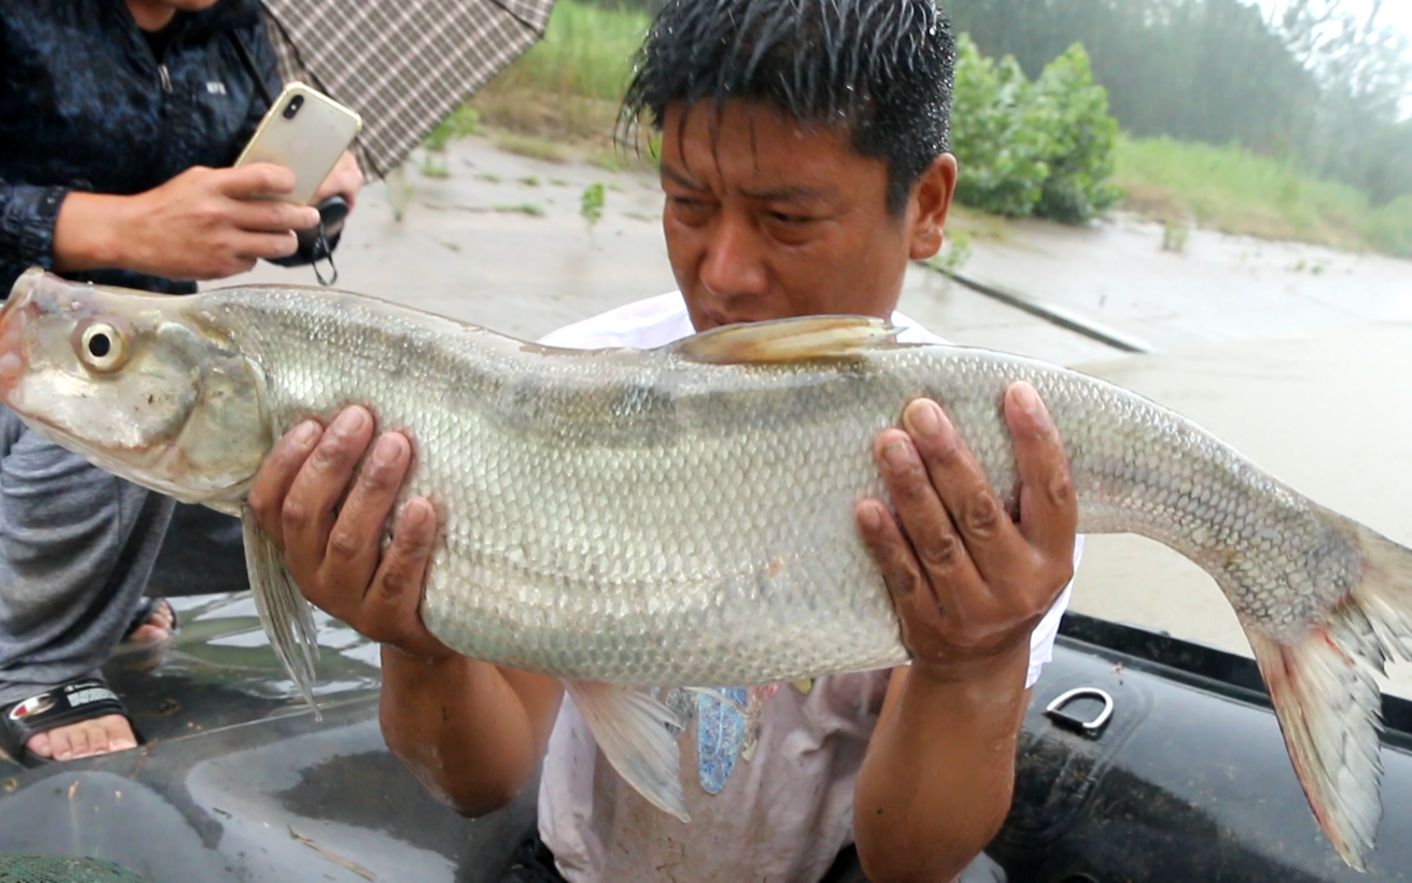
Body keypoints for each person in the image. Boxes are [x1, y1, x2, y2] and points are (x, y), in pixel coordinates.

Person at [248, 1, 1077, 880]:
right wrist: (420, 645)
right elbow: (481, 777)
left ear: (927, 204)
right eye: (687, 203)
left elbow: (909, 857)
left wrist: (971, 666)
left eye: (787, 220)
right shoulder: (565, 391)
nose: (722, 272)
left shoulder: (982, 468)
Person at [0, 0, 363, 766]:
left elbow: (247, 211)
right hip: (31, 348)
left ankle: (93, 588)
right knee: (136, 404)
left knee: (308, 477)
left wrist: (315, 208)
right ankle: (30, 659)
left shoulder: (232, 29)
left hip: (134, 345)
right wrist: (117, 228)